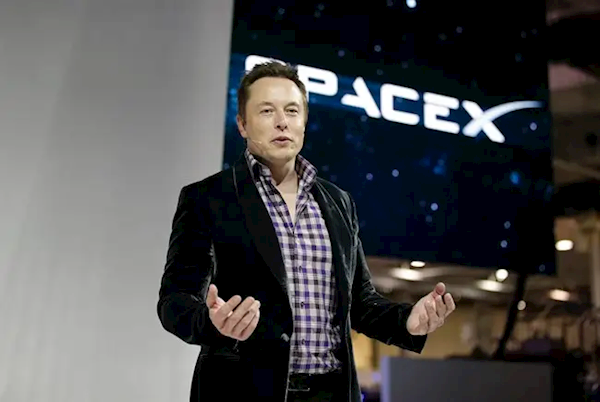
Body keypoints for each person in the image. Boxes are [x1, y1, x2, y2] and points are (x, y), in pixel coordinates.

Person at [157, 61, 456, 402]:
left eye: (292, 110)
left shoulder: (338, 202)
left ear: (304, 122)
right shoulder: (207, 197)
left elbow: (361, 304)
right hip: (241, 390)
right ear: (242, 124)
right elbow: (174, 301)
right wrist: (212, 323)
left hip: (331, 393)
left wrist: (408, 322)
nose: (282, 121)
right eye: (266, 110)